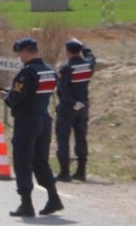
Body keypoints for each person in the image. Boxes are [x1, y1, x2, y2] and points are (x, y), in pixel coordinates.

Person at [0, 37, 64, 218]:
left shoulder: (27, 73)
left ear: (26, 51)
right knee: (40, 161)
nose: (19, 57)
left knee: (23, 161)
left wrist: (5, 96)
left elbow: (15, 99)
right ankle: (53, 198)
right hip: (44, 120)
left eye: (19, 53)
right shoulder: (49, 70)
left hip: (27, 122)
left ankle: (26, 204)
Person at [55, 38, 96, 182]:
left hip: (68, 107)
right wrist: (83, 44)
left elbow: (63, 89)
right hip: (84, 105)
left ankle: (64, 172)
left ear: (67, 51)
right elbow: (91, 56)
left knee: (63, 137)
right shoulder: (88, 65)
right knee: (81, 137)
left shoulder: (66, 67)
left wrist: (72, 103)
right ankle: (81, 171)